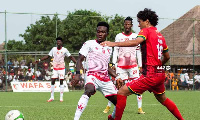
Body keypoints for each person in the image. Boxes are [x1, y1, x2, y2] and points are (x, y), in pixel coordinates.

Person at [101, 8, 184, 120]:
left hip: (150, 74)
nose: (139, 25)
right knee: (163, 99)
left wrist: (113, 43)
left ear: (147, 21)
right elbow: (167, 56)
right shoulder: (160, 36)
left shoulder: (146, 31)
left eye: (139, 22)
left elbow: (136, 42)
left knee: (121, 92)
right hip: (159, 74)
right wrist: (158, 66)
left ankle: (115, 118)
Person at [72, 22, 122, 120]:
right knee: (89, 90)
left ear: (107, 34)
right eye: (98, 31)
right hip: (92, 75)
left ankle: (111, 117)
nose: (100, 34)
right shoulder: (89, 44)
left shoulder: (109, 48)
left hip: (105, 79)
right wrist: (77, 74)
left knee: (120, 102)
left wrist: (117, 76)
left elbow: (107, 66)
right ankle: (76, 119)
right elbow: (79, 60)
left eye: (103, 32)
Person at [103, 16, 145, 114]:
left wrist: (140, 65)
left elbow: (138, 52)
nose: (127, 26)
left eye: (129, 24)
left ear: (131, 25)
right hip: (120, 66)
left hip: (133, 66)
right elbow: (116, 50)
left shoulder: (136, 36)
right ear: (124, 25)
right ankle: (109, 106)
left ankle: (139, 108)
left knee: (138, 86)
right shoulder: (119, 36)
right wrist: (113, 63)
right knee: (117, 86)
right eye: (125, 24)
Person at [35, 37, 76, 102]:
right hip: (55, 68)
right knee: (53, 80)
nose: (58, 43)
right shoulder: (53, 49)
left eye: (59, 41)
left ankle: (61, 98)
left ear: (61, 43)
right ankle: (52, 97)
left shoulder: (64, 50)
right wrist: (39, 60)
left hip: (62, 68)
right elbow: (48, 56)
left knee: (61, 81)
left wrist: (76, 62)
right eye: (57, 41)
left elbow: (70, 57)